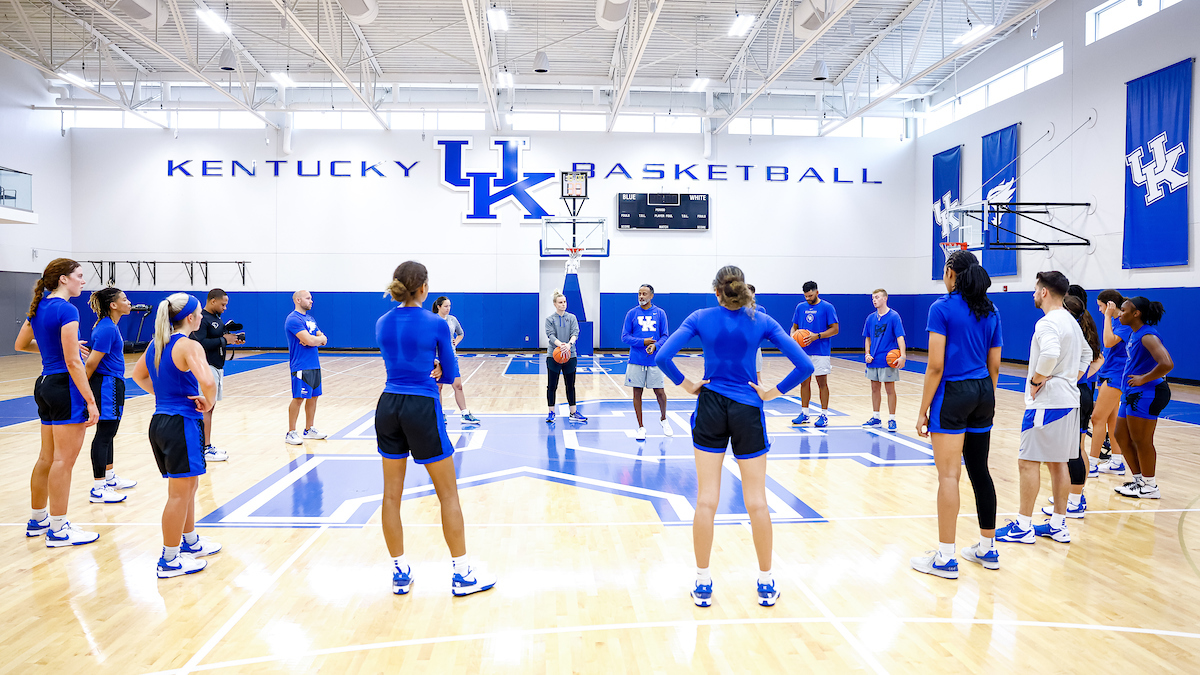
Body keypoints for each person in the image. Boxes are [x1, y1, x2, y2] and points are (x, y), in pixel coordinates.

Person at [656, 265, 815, 608]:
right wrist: (772, 392)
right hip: (748, 409)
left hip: (711, 405)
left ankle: (702, 584)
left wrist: (688, 384)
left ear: (717, 291)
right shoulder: (762, 320)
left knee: (706, 501)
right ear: (743, 289)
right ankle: (766, 582)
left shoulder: (700, 317)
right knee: (757, 501)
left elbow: (662, 356)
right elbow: (805, 365)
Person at [376, 262, 496, 596]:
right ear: (424, 288)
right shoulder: (437, 323)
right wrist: (441, 366)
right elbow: (450, 377)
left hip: (387, 405)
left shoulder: (382, 323)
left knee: (390, 495)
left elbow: (399, 362)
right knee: (448, 494)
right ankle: (462, 574)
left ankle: (399, 572)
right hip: (421, 407)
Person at [911, 250, 1002, 580]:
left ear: (950, 272)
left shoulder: (941, 308)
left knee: (949, 476)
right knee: (980, 470)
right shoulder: (991, 309)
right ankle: (987, 548)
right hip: (983, 392)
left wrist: (922, 411)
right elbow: (995, 365)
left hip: (953, 393)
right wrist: (986, 397)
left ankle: (946, 558)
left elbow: (935, 366)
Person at [131, 293, 222, 578]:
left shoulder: (157, 343)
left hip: (161, 421)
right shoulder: (189, 345)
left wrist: (167, 395)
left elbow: (138, 376)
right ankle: (169, 559)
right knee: (178, 494)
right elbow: (208, 381)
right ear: (192, 317)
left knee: (189, 488)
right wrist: (208, 402)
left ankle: (190, 541)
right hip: (180, 424)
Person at [995, 271, 1088, 546]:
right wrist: (1071, 377)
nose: (1034, 294)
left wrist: (1038, 380)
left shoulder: (1047, 323)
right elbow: (1087, 355)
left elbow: (1049, 354)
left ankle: (1023, 526)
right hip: (1069, 400)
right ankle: (1058, 525)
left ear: (1045, 292)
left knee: (1027, 462)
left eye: (1036, 289)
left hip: (1048, 403)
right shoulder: (1071, 321)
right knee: (1059, 463)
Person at [15, 258, 101, 546]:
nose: (83, 281)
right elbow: (73, 363)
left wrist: (58, 345)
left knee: (46, 458)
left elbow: (21, 345)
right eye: (79, 275)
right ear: (63, 279)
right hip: (65, 387)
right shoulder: (67, 309)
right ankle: (59, 529)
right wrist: (90, 401)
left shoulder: (39, 307)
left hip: (44, 385)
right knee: (63, 461)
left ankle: (38, 520)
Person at [1043, 294, 1104, 519]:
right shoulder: (1081, 330)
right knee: (1075, 448)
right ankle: (1075, 495)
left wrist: (1076, 377)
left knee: (1072, 450)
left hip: (1075, 394)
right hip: (1082, 392)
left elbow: (1098, 359)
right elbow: (1097, 358)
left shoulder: (1071, 333)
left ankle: (1075, 500)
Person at [1113, 297, 1173, 500]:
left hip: (1148, 392)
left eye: (1123, 310)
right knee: (1121, 435)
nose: (1120, 314)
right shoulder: (1134, 333)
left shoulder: (1147, 336)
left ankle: (1150, 485)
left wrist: (1143, 379)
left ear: (1136, 313)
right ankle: (1139, 480)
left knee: (1142, 440)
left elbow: (1167, 363)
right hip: (1132, 393)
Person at [83, 287, 136, 504]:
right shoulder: (107, 329)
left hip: (112, 383)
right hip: (107, 385)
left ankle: (110, 477)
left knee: (110, 432)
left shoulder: (109, 326)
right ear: (113, 305)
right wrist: (83, 393)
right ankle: (98, 487)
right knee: (104, 434)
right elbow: (91, 364)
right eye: (124, 299)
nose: (129, 302)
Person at [189, 288, 242, 461]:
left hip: (217, 367)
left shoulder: (216, 319)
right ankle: (203, 447)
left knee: (210, 408)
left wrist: (231, 339)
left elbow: (217, 341)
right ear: (213, 301)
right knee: (205, 408)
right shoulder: (202, 319)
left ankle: (207, 445)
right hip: (206, 367)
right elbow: (199, 343)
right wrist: (223, 340)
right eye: (223, 304)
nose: (225, 308)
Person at [621, 284, 671, 440]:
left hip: (654, 360)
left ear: (651, 296)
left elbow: (665, 336)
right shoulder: (631, 314)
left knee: (660, 393)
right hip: (636, 359)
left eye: (644, 294)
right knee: (637, 393)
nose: (641, 296)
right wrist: (643, 342)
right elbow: (625, 337)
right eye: (639, 294)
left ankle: (663, 419)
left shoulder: (660, 313)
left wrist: (655, 345)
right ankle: (641, 427)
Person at [1092, 289, 1130, 476]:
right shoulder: (1116, 320)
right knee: (1110, 419)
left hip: (1116, 375)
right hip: (1107, 372)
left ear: (1109, 305)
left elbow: (1108, 342)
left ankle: (1091, 464)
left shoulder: (1123, 322)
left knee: (1097, 418)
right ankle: (1117, 462)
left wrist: (1107, 316)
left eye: (1101, 306)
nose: (1099, 310)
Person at [790, 281, 838, 427]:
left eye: (810, 295)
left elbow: (835, 329)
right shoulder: (800, 307)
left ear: (817, 292)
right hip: (803, 352)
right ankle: (805, 413)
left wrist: (816, 336)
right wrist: (793, 338)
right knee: (804, 382)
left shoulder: (827, 307)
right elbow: (794, 328)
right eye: (805, 296)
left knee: (822, 383)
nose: (808, 298)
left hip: (821, 351)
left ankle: (824, 415)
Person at [285, 290, 328, 445]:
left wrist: (316, 339)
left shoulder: (310, 319)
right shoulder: (293, 319)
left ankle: (309, 429)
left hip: (314, 364)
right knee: (299, 398)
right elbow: (310, 340)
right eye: (308, 298)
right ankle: (291, 432)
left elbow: (323, 338)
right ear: (298, 300)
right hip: (301, 365)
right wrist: (314, 340)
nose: (311, 301)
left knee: (314, 397)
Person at [862, 288, 906, 432]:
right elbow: (867, 338)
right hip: (873, 360)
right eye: (873, 298)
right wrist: (867, 353)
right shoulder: (870, 318)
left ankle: (892, 419)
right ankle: (876, 417)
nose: (874, 300)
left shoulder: (894, 316)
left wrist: (903, 355)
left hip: (888, 360)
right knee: (874, 389)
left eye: (877, 297)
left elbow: (900, 337)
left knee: (890, 389)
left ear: (885, 298)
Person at [432, 296, 480, 424]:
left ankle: (464, 414)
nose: (448, 308)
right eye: (446, 306)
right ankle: (439, 414)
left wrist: (456, 342)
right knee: (438, 387)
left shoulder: (452, 319)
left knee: (458, 385)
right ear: (439, 307)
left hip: (451, 358)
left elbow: (461, 333)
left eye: (449, 306)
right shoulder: (433, 320)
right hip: (437, 358)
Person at [545, 291, 586, 424]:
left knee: (570, 385)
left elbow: (575, 333)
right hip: (554, 356)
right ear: (555, 304)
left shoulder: (572, 318)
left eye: (564, 302)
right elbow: (550, 335)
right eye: (560, 302)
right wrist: (560, 346)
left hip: (570, 355)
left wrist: (568, 345)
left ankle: (573, 412)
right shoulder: (550, 319)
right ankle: (551, 412)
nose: (563, 304)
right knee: (552, 386)